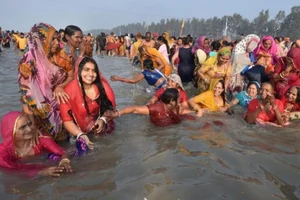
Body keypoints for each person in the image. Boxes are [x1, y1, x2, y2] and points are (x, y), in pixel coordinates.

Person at [19, 23, 74, 140]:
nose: (56, 42)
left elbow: (71, 75)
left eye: (57, 38)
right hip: (37, 116)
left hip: (60, 110)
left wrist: (60, 86)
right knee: (43, 147)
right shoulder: (28, 61)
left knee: (63, 144)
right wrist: (31, 125)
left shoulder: (61, 55)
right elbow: (26, 95)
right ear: (40, 40)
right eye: (52, 39)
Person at [60, 57, 116, 153]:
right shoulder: (68, 91)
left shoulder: (102, 86)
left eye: (94, 71)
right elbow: (67, 120)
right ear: (78, 71)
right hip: (78, 130)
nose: (90, 74)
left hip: (102, 126)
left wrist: (102, 119)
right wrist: (80, 134)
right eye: (86, 70)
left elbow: (112, 108)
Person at [0, 111, 73, 177]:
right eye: (23, 127)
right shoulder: (2, 151)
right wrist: (40, 172)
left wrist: (64, 161)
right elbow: (10, 169)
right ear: (10, 131)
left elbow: (63, 152)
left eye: (29, 124)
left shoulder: (41, 139)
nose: (29, 129)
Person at [111, 88, 201, 126]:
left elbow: (188, 112)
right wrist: (117, 113)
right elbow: (134, 109)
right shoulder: (156, 108)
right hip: (155, 130)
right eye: (178, 99)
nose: (180, 100)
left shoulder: (177, 108)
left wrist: (199, 111)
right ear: (172, 101)